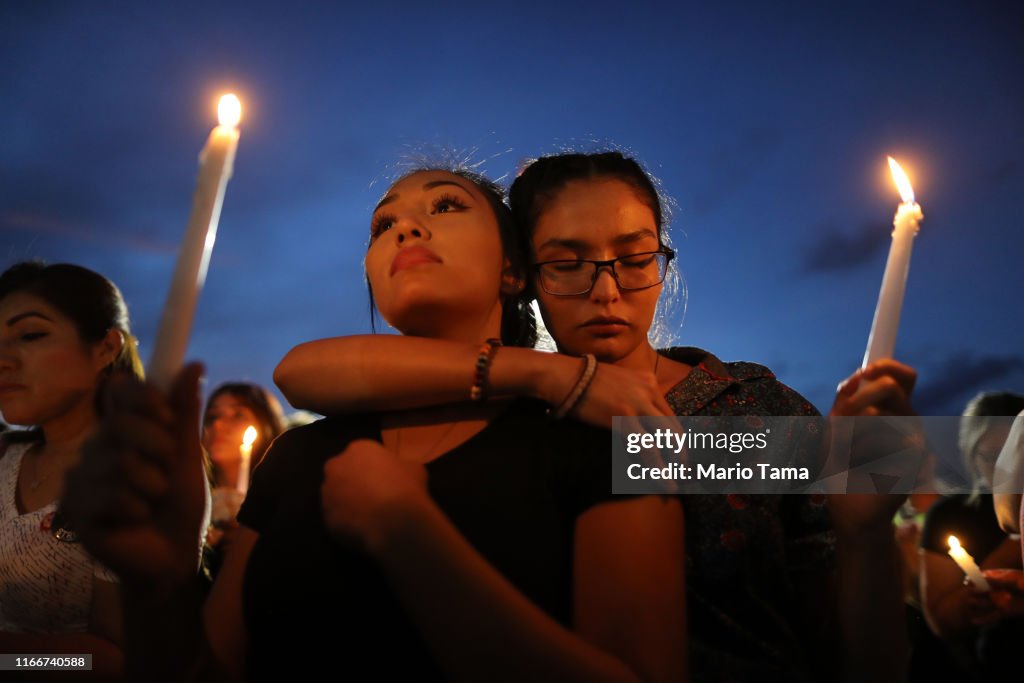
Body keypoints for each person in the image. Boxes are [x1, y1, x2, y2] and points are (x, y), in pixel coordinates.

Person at [275, 150, 917, 682]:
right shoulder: (510, 422)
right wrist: (551, 374)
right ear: (522, 274)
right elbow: (308, 373)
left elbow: (861, 661)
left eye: (635, 259)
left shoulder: (743, 410)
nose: (606, 291)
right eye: (567, 264)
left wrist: (865, 535)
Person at [62, 168, 687, 682]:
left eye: (634, 256)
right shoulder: (300, 454)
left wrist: (409, 538)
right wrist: (159, 587)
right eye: (383, 224)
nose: (608, 288)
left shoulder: (683, 419)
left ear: (513, 270)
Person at [0, 261, 145, 679]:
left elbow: (113, 660)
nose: (3, 360)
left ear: (104, 348)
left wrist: (10, 658)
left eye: (31, 335)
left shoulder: (132, 478)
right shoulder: (7, 458)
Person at [918, 391, 1024, 677]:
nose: (1005, 473)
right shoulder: (951, 515)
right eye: (991, 458)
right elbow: (942, 623)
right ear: (970, 453)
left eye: (1012, 458)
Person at [200, 382, 286, 572]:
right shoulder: (189, 496)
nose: (218, 424)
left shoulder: (282, 499)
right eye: (212, 416)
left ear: (266, 425)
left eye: (238, 415)